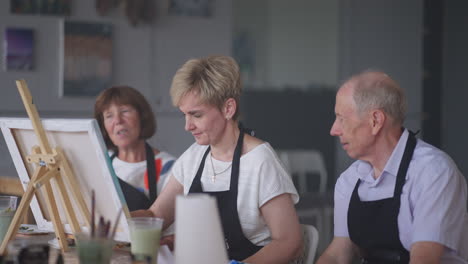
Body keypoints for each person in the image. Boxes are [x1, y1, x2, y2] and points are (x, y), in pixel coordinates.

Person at [132, 55, 302, 263]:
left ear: (228, 109)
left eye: (196, 115)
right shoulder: (194, 156)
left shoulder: (260, 161)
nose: (187, 126)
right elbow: (156, 216)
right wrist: (120, 219)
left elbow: (289, 243)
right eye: (184, 115)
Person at [317, 71, 468, 264]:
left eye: (341, 119)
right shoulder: (350, 179)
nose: (334, 130)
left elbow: (424, 259)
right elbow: (340, 253)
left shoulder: (434, 172)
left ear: (375, 121)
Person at [94, 86, 176, 211]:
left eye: (125, 111)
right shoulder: (99, 165)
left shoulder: (171, 168)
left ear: (142, 117)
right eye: (109, 115)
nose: (117, 121)